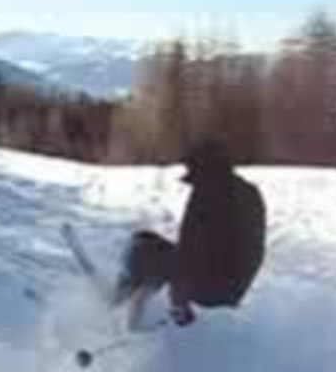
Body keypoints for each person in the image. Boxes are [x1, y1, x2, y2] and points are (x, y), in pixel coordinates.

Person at [112, 138, 266, 330]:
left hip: (208, 288)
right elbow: (254, 249)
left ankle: (120, 308)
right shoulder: (249, 192)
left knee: (143, 246)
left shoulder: (207, 193)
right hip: (233, 289)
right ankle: (137, 302)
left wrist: (179, 301)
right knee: (164, 258)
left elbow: (193, 248)